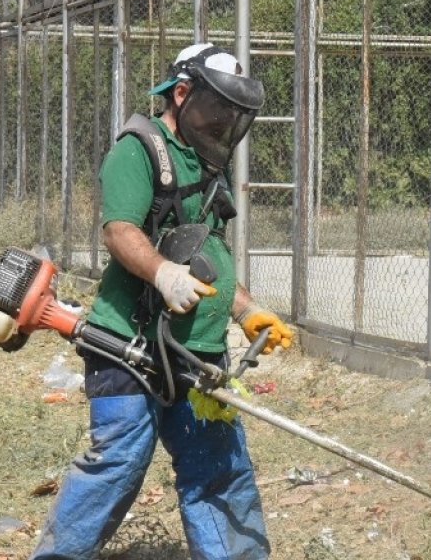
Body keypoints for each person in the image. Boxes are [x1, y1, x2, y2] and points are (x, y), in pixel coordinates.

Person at [30, 43, 295, 560]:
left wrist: (245, 310)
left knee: (219, 467)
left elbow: (208, 252)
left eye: (233, 114)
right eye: (217, 110)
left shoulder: (208, 165)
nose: (224, 124)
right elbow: (120, 231)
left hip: (199, 353)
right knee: (119, 464)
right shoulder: (139, 150)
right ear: (182, 94)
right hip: (128, 345)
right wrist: (162, 273)